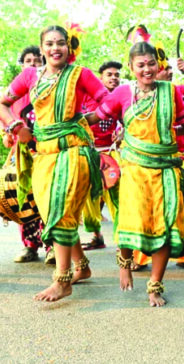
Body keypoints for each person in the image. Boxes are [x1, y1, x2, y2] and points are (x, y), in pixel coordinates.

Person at [87, 40, 184, 307]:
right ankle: (125, 263)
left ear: (158, 65)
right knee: (129, 221)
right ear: (131, 67)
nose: (147, 69)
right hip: (134, 169)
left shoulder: (170, 91)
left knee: (165, 227)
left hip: (166, 170)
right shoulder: (122, 93)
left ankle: (155, 285)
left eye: (151, 64)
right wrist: (67, 122)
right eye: (141, 65)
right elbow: (96, 117)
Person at [0, 24, 108, 302]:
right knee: (52, 213)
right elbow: (2, 104)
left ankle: (62, 280)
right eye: (49, 43)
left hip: (73, 150)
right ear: (41, 47)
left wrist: (86, 120)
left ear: (68, 47)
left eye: (60, 43)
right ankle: (82, 267)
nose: (55, 48)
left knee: (60, 212)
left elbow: (108, 100)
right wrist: (15, 125)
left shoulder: (79, 74)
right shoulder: (29, 76)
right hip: (44, 153)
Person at [0, 45, 50, 264]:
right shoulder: (15, 92)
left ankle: (53, 247)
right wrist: (5, 133)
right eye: (29, 60)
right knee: (23, 198)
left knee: (47, 199)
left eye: (38, 60)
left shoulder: (50, 88)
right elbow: (2, 116)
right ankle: (30, 246)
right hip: (21, 152)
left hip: (47, 151)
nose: (34, 64)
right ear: (22, 65)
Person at [79, 60, 123, 252]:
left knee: (116, 197)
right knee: (89, 199)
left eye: (117, 75)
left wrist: (123, 133)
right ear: (100, 78)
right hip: (89, 153)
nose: (114, 78)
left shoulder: (122, 96)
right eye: (109, 75)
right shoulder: (87, 97)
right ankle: (96, 236)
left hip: (110, 153)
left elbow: (129, 121)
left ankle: (124, 241)